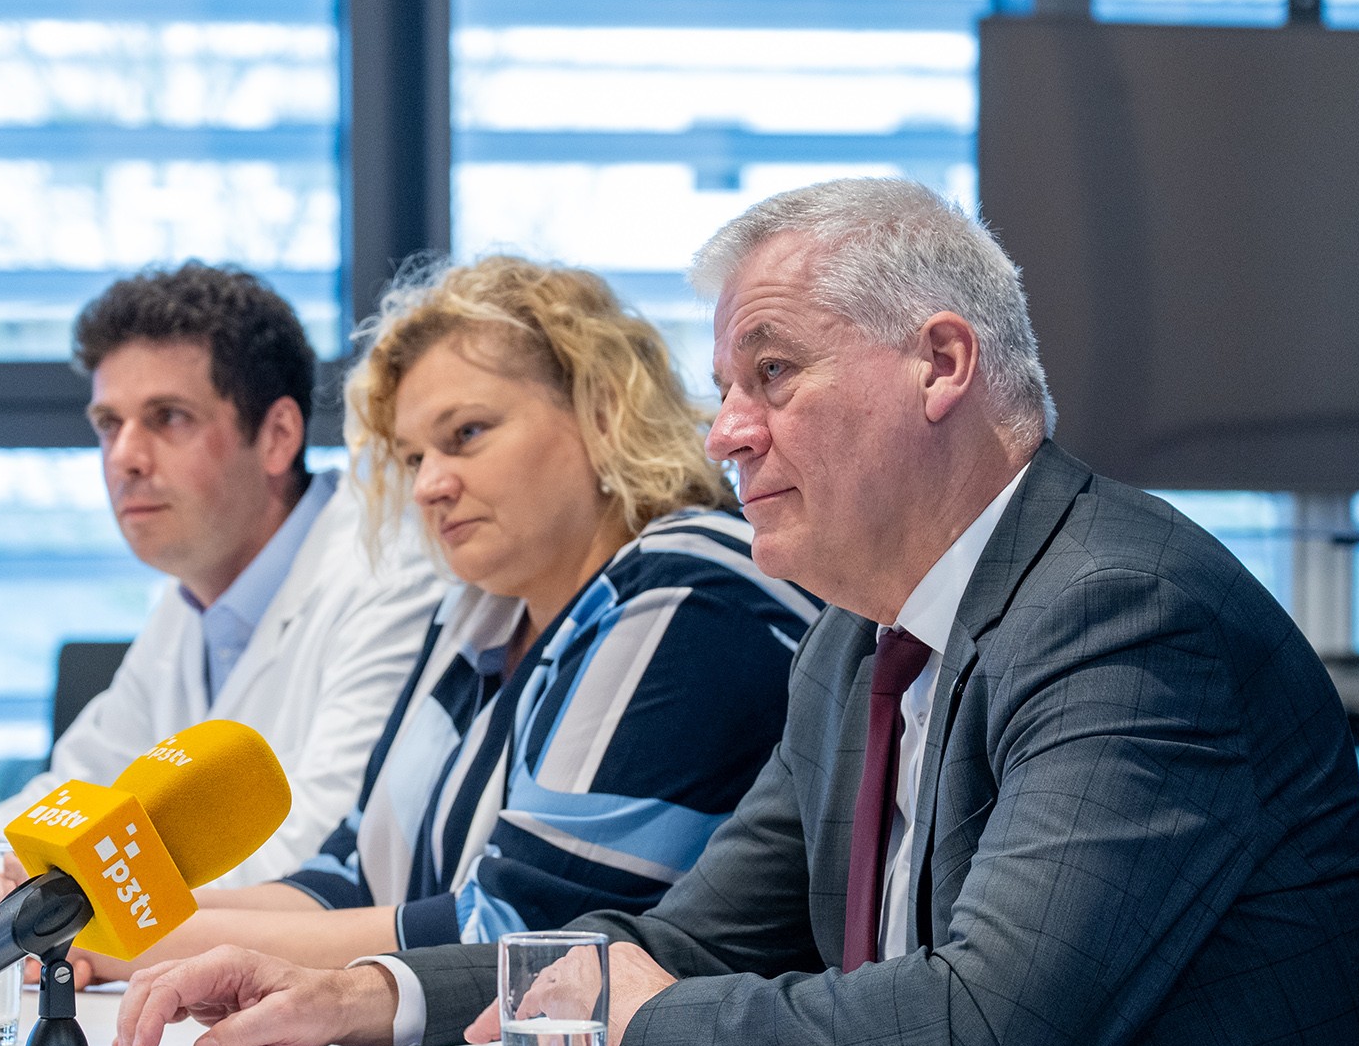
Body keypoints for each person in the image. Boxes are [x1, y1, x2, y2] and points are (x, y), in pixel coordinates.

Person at [114, 179, 1359, 1046]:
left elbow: (985, 1030)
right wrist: (362, 994)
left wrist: (643, 1020)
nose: (727, 431)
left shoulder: (1123, 613)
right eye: (724, 389)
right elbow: (687, 939)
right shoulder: (854, 640)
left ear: (939, 363)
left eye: (772, 374)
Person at [75, 255, 818, 980]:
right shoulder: (483, 609)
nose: (430, 485)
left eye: (465, 434)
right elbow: (350, 876)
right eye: (411, 458)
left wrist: (136, 941)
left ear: (601, 410)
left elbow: (518, 935)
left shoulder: (687, 588)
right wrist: (98, 919)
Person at [0, 262, 441, 929]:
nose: (125, 457)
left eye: (168, 418)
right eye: (108, 424)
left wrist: (26, 901)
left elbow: (317, 861)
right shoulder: (191, 599)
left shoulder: (389, 573)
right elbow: (77, 793)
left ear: (278, 436)